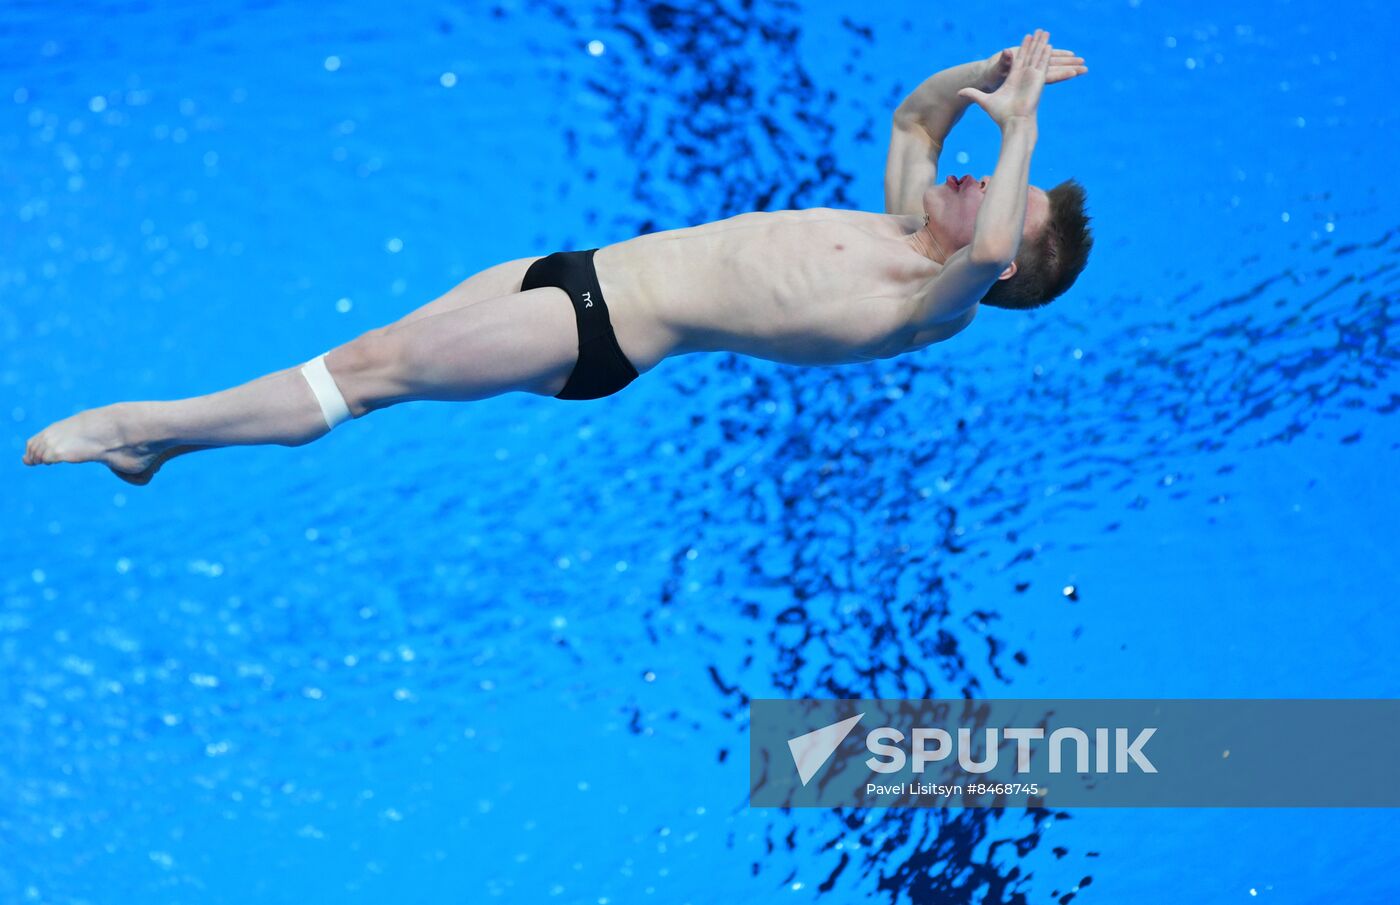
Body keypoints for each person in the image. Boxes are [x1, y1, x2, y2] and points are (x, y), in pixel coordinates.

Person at [23, 30, 1091, 485]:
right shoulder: (904, 226)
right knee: (378, 353)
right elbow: (913, 118)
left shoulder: (931, 298)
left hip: (596, 332)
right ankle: (158, 455)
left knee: (359, 376)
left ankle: (139, 424)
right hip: (571, 270)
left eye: (989, 187)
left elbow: (994, 232)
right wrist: (991, 71)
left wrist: (1019, 127)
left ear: (996, 270)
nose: (965, 177)